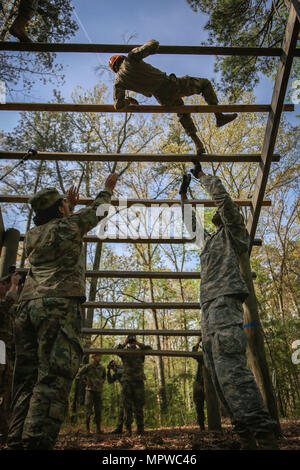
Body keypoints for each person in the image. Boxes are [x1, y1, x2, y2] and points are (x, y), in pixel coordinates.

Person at [7, 173, 118, 450]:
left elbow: (61, 223)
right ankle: (34, 444)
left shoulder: (33, 235)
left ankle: (15, 440)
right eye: (64, 206)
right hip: (55, 308)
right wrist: (106, 189)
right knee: (52, 377)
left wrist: (66, 205)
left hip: (26, 310)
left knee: (26, 380)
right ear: (58, 211)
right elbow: (97, 212)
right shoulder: (66, 227)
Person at [179, 161, 278, 450]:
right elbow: (191, 223)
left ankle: (264, 434)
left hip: (224, 305)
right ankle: (245, 435)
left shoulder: (235, 232)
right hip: (209, 312)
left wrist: (200, 176)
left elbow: (223, 199)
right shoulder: (210, 242)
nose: (216, 215)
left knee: (233, 371)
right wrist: (183, 197)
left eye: (218, 213)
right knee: (217, 374)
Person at [109, 39, 237, 155]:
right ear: (122, 57)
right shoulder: (131, 59)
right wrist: (143, 48)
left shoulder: (119, 82)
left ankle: (198, 144)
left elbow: (119, 105)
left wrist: (129, 100)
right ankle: (219, 116)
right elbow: (153, 44)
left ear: (115, 70)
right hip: (170, 84)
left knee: (182, 112)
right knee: (204, 84)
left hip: (161, 97)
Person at [0, 271, 22, 442]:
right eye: (3, 283)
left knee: (5, 388)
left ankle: (3, 429)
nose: (6, 286)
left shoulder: (7, 304)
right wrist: (14, 285)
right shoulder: (4, 303)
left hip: (5, 350)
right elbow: (8, 303)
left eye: (7, 283)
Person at [117, 335, 151, 436]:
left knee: (139, 406)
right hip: (127, 381)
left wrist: (137, 343)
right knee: (127, 407)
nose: (131, 341)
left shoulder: (140, 351)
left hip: (138, 381)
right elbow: (116, 350)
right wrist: (124, 343)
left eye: (133, 339)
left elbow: (148, 348)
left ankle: (140, 429)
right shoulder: (124, 351)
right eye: (130, 340)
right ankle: (128, 430)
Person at [76, 353, 106, 434]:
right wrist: (85, 382)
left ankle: (98, 429)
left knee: (98, 410)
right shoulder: (88, 366)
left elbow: (104, 377)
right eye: (98, 356)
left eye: (100, 356)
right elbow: (78, 375)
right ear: (93, 357)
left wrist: (102, 383)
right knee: (88, 410)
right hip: (90, 391)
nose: (100, 357)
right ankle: (87, 430)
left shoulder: (102, 368)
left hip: (98, 391)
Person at [192, 336, 205, 431]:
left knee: (211, 405)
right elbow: (193, 353)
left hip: (209, 383)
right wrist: (198, 343)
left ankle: (212, 425)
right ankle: (201, 426)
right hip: (199, 382)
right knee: (199, 406)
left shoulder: (214, 353)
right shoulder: (201, 355)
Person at [107, 359, 124, 434]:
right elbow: (110, 381)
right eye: (112, 366)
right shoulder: (116, 373)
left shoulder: (123, 367)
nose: (113, 367)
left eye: (114, 365)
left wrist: (116, 369)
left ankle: (138, 428)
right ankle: (119, 428)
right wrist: (108, 371)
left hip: (133, 388)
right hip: (125, 391)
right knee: (122, 410)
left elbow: (125, 371)